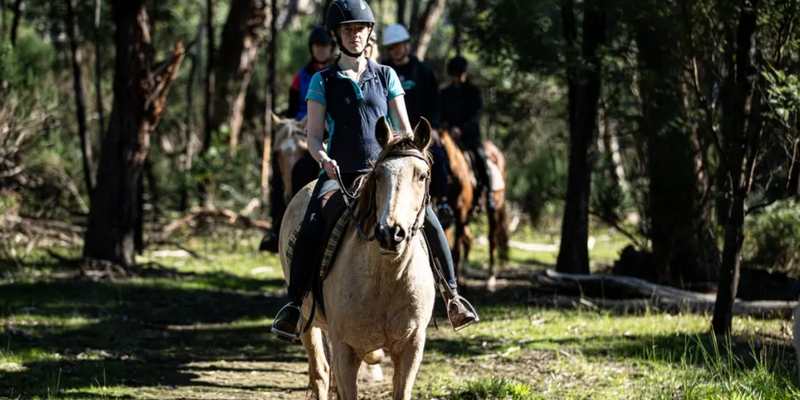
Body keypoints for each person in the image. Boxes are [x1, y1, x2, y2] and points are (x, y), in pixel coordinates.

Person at [271, 0, 478, 341]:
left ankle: (452, 297)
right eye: (349, 30)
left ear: (369, 33)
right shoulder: (323, 81)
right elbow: (312, 138)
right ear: (337, 35)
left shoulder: (386, 75)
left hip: (384, 174)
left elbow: (405, 129)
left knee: (428, 219)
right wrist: (324, 161)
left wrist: (409, 160)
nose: (356, 35)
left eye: (362, 29)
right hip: (340, 173)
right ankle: (294, 306)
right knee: (310, 225)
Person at [260, 26, 336, 253]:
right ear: (311, 49)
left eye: (325, 46)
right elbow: (293, 109)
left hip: (325, 132)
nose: (321, 51)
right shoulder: (300, 77)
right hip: (301, 129)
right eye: (317, 46)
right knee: (280, 160)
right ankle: (277, 225)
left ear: (331, 48)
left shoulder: (337, 72)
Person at [380, 23, 450, 214]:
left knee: (439, 152)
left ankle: (442, 200)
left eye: (398, 45)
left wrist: (433, 128)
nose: (395, 50)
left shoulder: (423, 71)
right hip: (393, 134)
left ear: (406, 44)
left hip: (420, 133)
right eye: (390, 47)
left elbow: (435, 102)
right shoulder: (383, 70)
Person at [440, 56, 496, 214]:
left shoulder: (474, 92)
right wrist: (449, 128)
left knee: (481, 159)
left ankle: (489, 195)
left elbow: (476, 114)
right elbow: (442, 113)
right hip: (450, 138)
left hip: (470, 137)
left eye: (458, 74)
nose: (455, 78)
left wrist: (462, 129)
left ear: (464, 73)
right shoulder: (445, 93)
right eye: (453, 75)